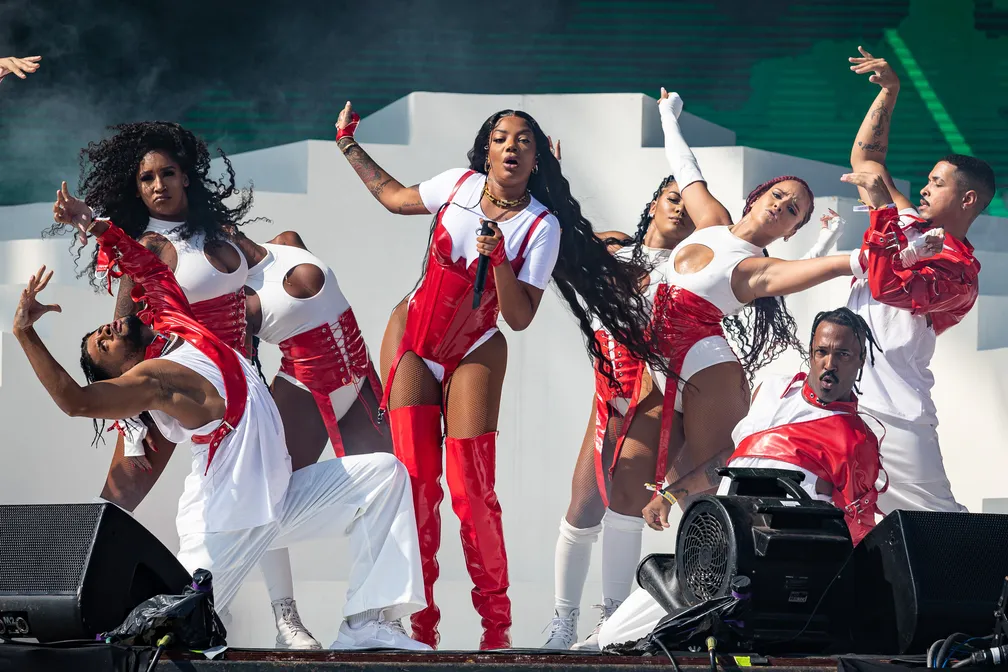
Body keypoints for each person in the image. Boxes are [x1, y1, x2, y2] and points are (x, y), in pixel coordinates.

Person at [23, 189, 428, 650]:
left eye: (99, 330)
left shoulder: (182, 329)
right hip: (225, 524)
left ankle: (366, 624)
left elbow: (150, 270)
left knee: (384, 476)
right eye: (102, 345)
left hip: (278, 504)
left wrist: (93, 224)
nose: (106, 330)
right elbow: (76, 401)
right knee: (172, 636)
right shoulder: (152, 381)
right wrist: (25, 333)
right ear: (119, 373)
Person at [334, 102, 665, 649]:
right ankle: (421, 628)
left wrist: (502, 258)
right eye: (501, 137)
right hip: (414, 342)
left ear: (536, 160)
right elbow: (393, 198)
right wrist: (347, 143)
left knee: (471, 490)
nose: (511, 146)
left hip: (476, 347)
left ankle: (496, 631)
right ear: (486, 150)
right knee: (415, 486)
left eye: (524, 141)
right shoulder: (457, 185)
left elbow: (519, 316)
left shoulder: (541, 225)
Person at [47, 123, 324, 648]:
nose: (159, 185)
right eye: (147, 178)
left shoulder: (219, 230)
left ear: (186, 177)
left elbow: (273, 271)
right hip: (175, 385)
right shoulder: (149, 244)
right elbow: (125, 330)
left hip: (239, 388)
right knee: (117, 499)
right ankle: (66, 602)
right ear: (136, 189)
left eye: (167, 173)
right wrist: (133, 413)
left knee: (264, 491)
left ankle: (282, 618)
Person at [596, 307, 886, 649]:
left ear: (860, 361)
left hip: (771, 581)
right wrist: (671, 494)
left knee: (690, 646)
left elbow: (853, 535)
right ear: (810, 352)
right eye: (822, 352)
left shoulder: (858, 440)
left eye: (843, 355)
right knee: (613, 637)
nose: (829, 364)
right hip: (711, 556)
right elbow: (730, 458)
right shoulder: (772, 390)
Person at [636, 88, 857, 535]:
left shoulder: (760, 270)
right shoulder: (711, 220)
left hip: (704, 369)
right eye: (778, 195)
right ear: (757, 196)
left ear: (791, 230)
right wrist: (668, 115)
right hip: (661, 369)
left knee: (719, 497)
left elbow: (829, 267)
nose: (780, 205)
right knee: (676, 503)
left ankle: (744, 573)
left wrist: (882, 255)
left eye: (792, 210)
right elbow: (686, 167)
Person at [544, 175, 694, 650]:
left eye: (691, 209)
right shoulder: (613, 251)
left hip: (656, 398)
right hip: (607, 394)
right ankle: (563, 623)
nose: (681, 211)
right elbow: (561, 245)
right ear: (654, 204)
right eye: (674, 199)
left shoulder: (690, 268)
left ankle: (611, 625)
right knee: (582, 509)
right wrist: (548, 181)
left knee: (628, 503)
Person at [845, 46, 994, 513]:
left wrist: (880, 212)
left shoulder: (961, 274)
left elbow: (889, 288)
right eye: (927, 180)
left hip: (895, 412)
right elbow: (867, 163)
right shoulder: (908, 221)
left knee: (937, 523)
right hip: (838, 394)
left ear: (968, 200)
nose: (924, 188)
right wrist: (890, 91)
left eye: (937, 182)